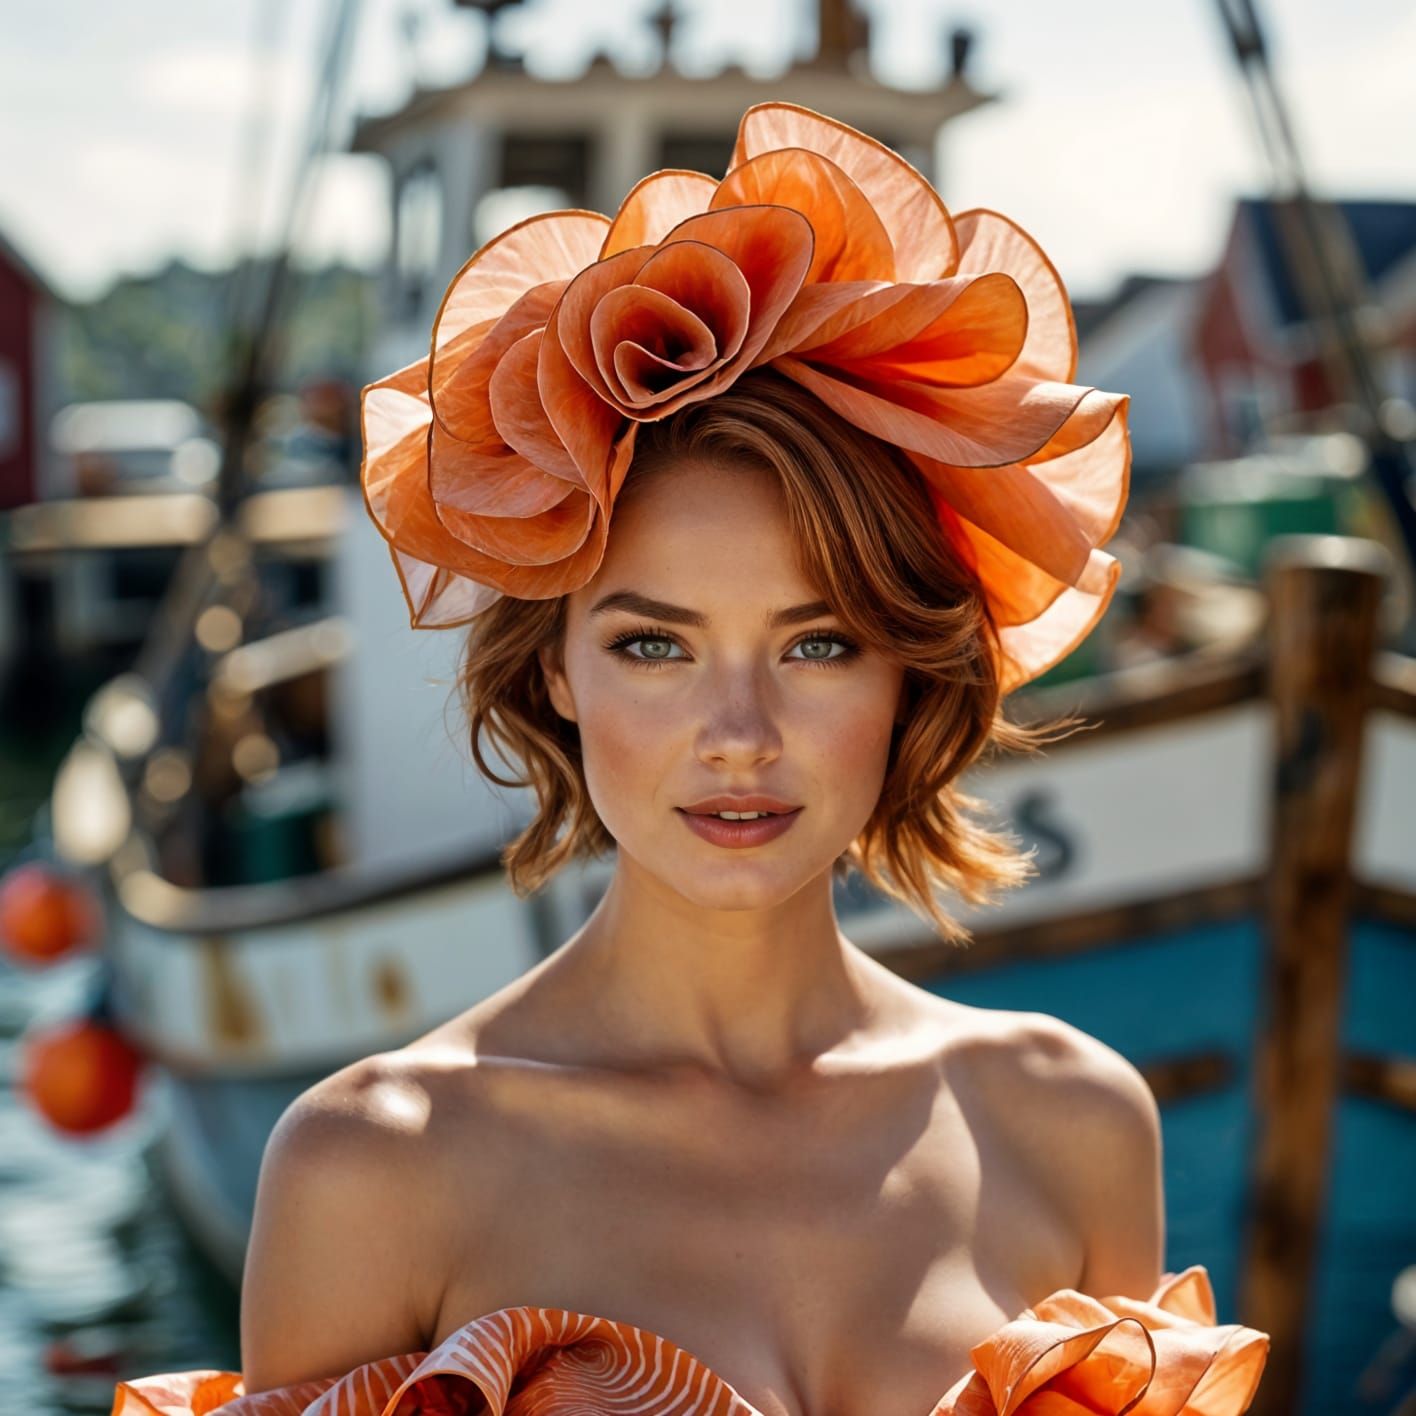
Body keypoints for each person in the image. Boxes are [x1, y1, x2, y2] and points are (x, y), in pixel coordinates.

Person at [111, 101, 1269, 1416]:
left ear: (910, 671)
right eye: (656, 649)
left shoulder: (1074, 1120)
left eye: (819, 645)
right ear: (556, 669)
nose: (740, 735)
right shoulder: (375, 1167)